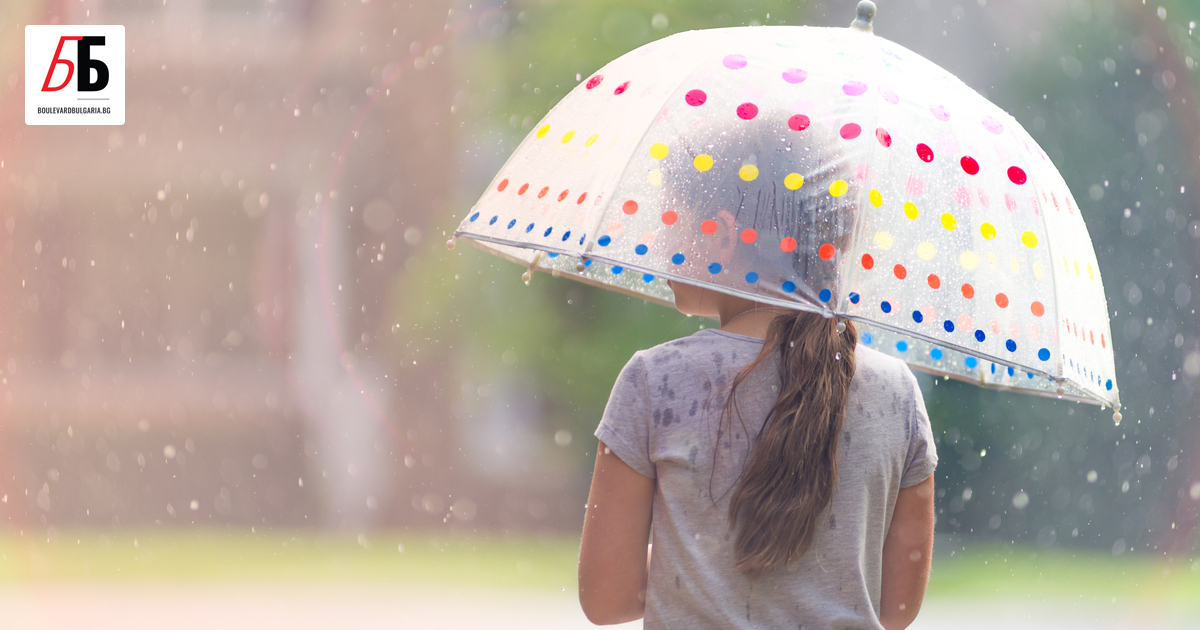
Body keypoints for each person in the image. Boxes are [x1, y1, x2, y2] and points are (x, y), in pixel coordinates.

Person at [577, 112, 938, 629]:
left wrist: (697, 553)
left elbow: (606, 598)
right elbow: (897, 609)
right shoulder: (896, 391)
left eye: (671, 220)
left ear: (722, 234)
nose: (659, 241)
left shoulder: (656, 381)